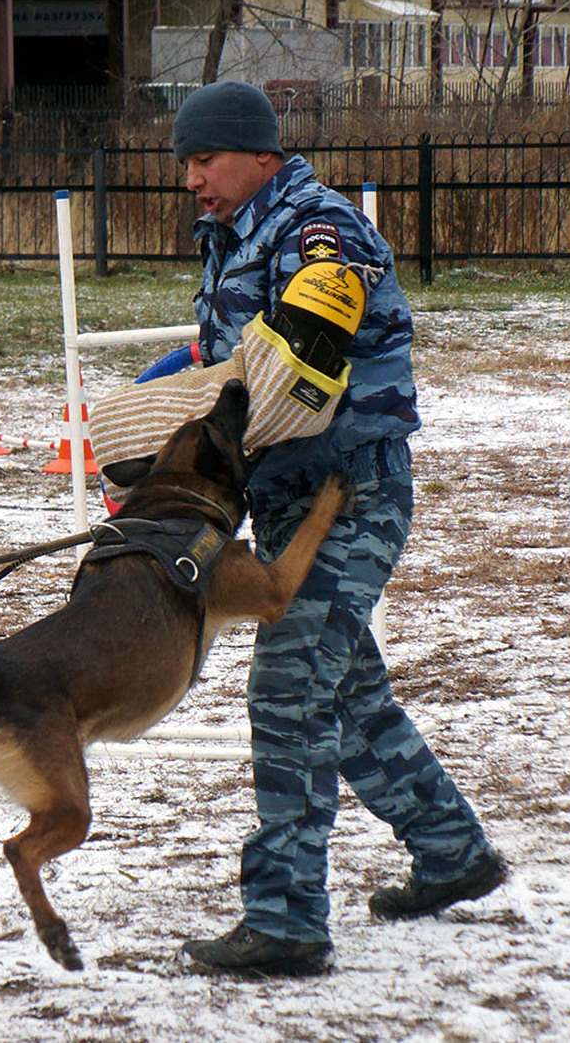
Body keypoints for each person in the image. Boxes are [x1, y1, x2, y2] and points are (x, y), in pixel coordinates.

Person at [165, 79, 504, 977]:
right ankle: (452, 853)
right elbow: (222, 356)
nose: (192, 180)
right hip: (283, 503)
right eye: (186, 165)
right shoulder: (230, 237)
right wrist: (147, 400)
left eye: (205, 160)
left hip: (349, 494)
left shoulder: (321, 227)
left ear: (260, 155)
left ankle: (285, 919)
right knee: (348, 697)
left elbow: (313, 327)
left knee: (288, 691)